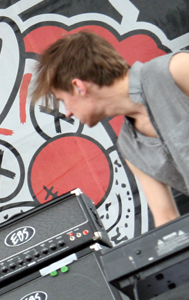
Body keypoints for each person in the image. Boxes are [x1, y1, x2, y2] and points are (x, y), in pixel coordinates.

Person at [31, 31, 189, 227]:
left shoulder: (176, 70)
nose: (68, 113)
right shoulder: (129, 146)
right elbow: (166, 218)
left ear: (79, 87)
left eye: (64, 101)